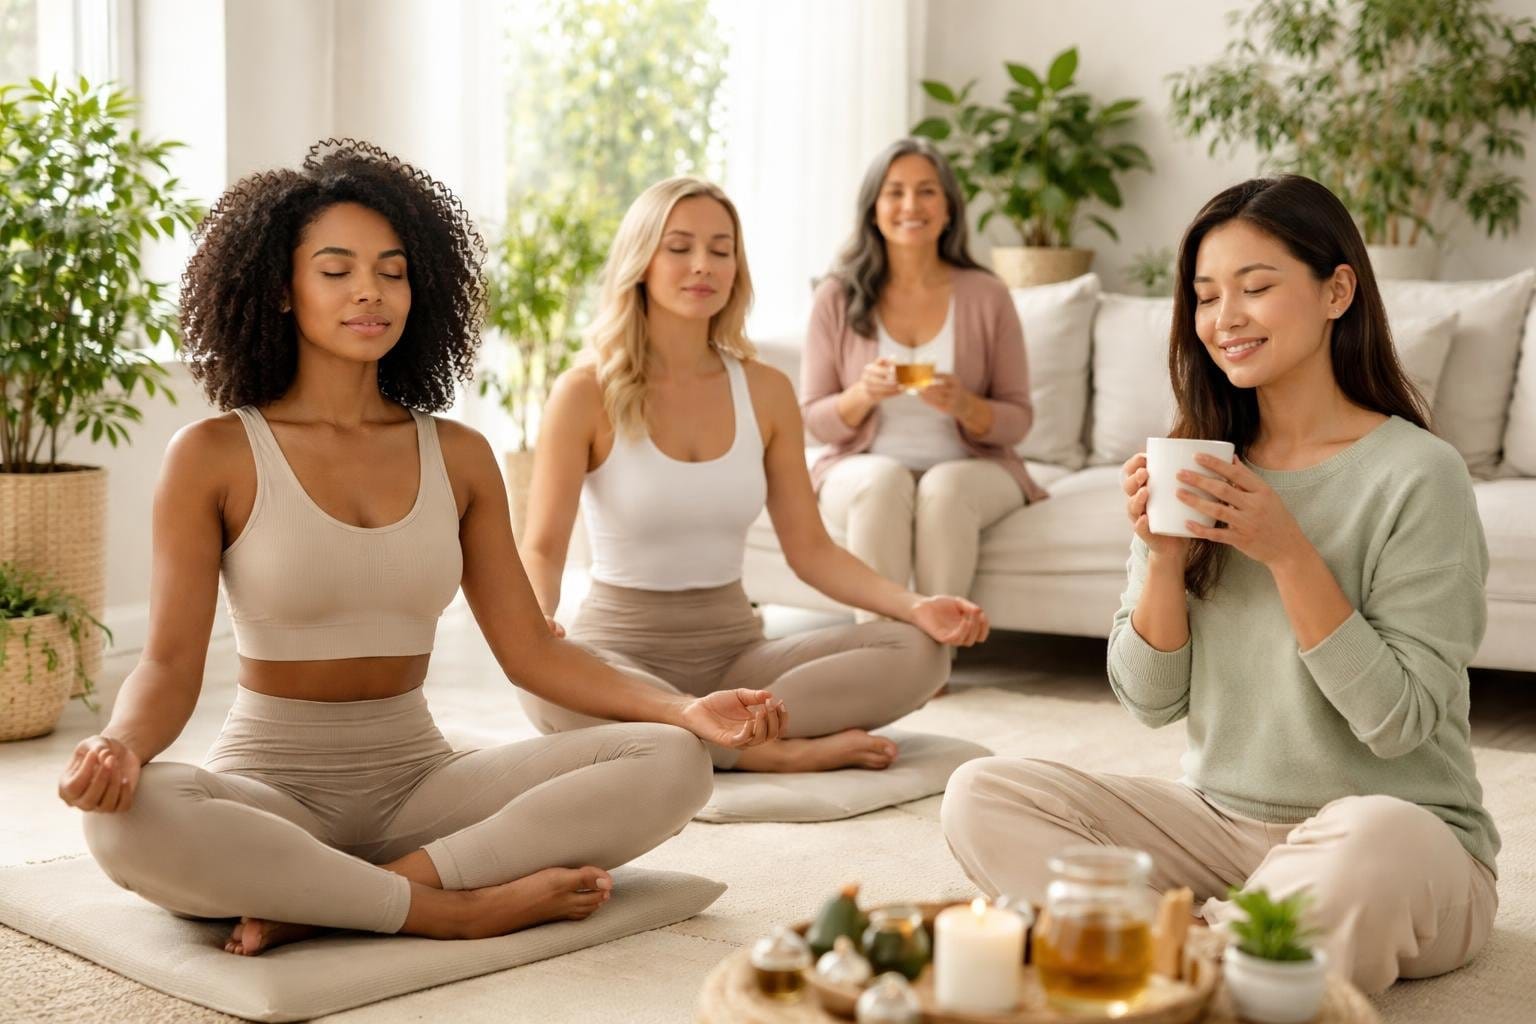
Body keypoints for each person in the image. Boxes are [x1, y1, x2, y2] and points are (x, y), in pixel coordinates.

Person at [57, 140, 786, 957]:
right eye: (336, 270)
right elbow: (165, 665)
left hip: (423, 785)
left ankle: (343, 894)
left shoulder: (460, 454)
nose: (370, 290)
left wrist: (683, 709)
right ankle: (455, 907)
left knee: (674, 761)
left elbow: (533, 655)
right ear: (281, 291)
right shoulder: (213, 453)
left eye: (393, 270)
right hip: (273, 789)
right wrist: (120, 743)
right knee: (124, 824)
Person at [941, 175, 1498, 994]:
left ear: (1337, 290)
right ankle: (1229, 951)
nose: (1224, 318)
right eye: (1205, 297)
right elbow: (1149, 702)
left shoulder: (1419, 475)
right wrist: (1163, 560)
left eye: (1256, 287)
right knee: (981, 791)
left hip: (1397, 837)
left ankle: (1173, 953)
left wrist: (1288, 552)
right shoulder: (1196, 461)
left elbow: (1400, 723)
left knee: (1376, 836)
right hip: (1214, 826)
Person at [519, 175, 988, 774]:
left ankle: (709, 738)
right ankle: (762, 749)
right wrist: (535, 629)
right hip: (619, 657)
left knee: (922, 653)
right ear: (641, 260)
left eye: (721, 250)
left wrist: (916, 604)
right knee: (538, 682)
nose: (702, 266)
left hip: (739, 658)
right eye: (680, 247)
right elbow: (541, 546)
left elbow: (812, 550)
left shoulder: (765, 390)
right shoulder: (584, 391)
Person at [799, 138, 1047, 621]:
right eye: (895, 192)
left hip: (973, 466)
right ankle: (883, 655)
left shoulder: (987, 294)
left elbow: (1018, 420)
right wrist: (861, 395)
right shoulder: (836, 295)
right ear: (873, 209)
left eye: (927, 191)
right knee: (883, 479)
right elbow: (814, 420)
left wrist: (966, 406)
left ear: (949, 208)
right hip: (861, 463)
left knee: (944, 489)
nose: (911, 205)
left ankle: (935, 659)